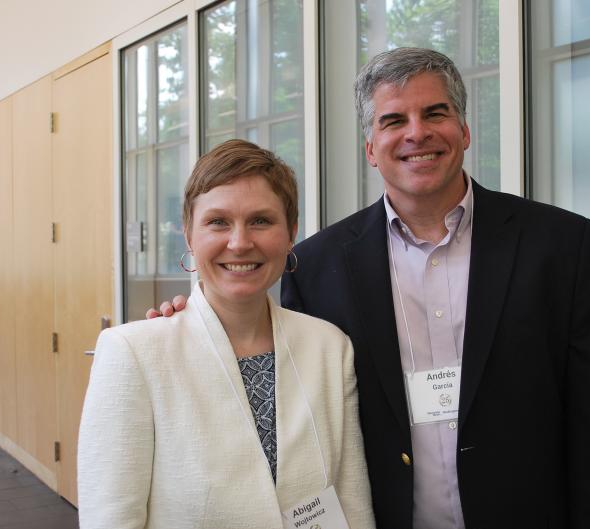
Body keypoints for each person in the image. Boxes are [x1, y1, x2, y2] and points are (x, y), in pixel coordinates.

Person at [153, 48, 590, 529]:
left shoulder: (558, 244)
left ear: (464, 130)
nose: (417, 132)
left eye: (436, 113)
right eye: (393, 121)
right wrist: (192, 329)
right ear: (370, 147)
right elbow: (281, 380)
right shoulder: (318, 264)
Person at [79, 139, 375, 529]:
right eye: (218, 222)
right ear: (189, 234)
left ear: (291, 234)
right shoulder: (134, 353)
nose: (239, 243)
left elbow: (352, 503)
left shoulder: (329, 348)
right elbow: (111, 519)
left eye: (261, 221)